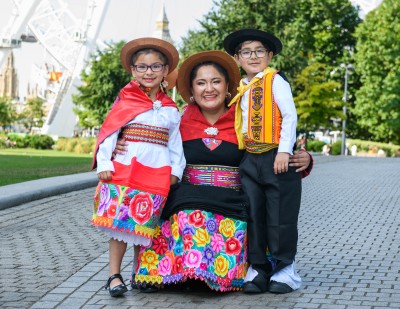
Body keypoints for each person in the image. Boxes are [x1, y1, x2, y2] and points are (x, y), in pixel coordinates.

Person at [123, 50, 313, 292]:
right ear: (192, 90)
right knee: (188, 216)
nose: (208, 89)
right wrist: (122, 142)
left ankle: (209, 275)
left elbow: (276, 144)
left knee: (233, 220)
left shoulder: (245, 116)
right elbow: (149, 145)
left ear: (227, 87)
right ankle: (169, 274)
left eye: (216, 81)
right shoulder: (177, 119)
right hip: (187, 198)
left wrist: (304, 158)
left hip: (233, 200)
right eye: (201, 83)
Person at [91, 37, 186, 297]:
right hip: (124, 170)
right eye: (142, 67)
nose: (149, 72)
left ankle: (140, 272)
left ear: (166, 71)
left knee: (144, 227)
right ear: (133, 70)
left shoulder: (170, 109)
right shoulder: (126, 101)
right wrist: (105, 162)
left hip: (156, 174)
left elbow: (175, 146)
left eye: (156, 66)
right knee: (121, 226)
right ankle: (114, 275)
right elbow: (110, 132)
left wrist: (175, 173)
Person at [223, 28, 304, 294]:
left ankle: (284, 270)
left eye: (259, 51)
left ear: (269, 55)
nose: (253, 56)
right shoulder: (241, 87)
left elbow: (289, 116)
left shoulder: (275, 80)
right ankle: (258, 268)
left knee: (280, 213)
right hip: (251, 157)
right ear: (237, 58)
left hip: (275, 155)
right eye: (246, 52)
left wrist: (284, 151)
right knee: (253, 213)